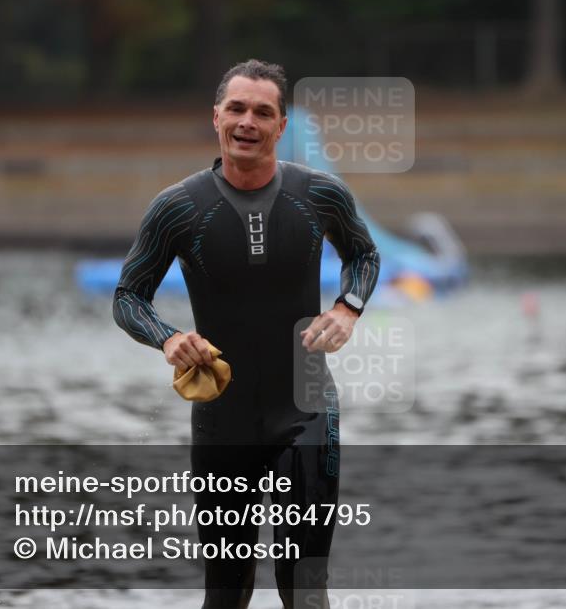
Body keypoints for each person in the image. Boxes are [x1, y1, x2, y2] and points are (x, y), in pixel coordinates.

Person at [113, 59, 380, 608]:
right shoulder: (178, 209)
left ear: (282, 126)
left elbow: (365, 254)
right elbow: (127, 297)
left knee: (304, 592)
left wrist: (348, 308)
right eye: (236, 108)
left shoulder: (319, 195)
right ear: (216, 117)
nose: (247, 122)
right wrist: (167, 338)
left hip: (305, 408)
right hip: (222, 420)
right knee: (226, 595)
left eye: (263, 112)